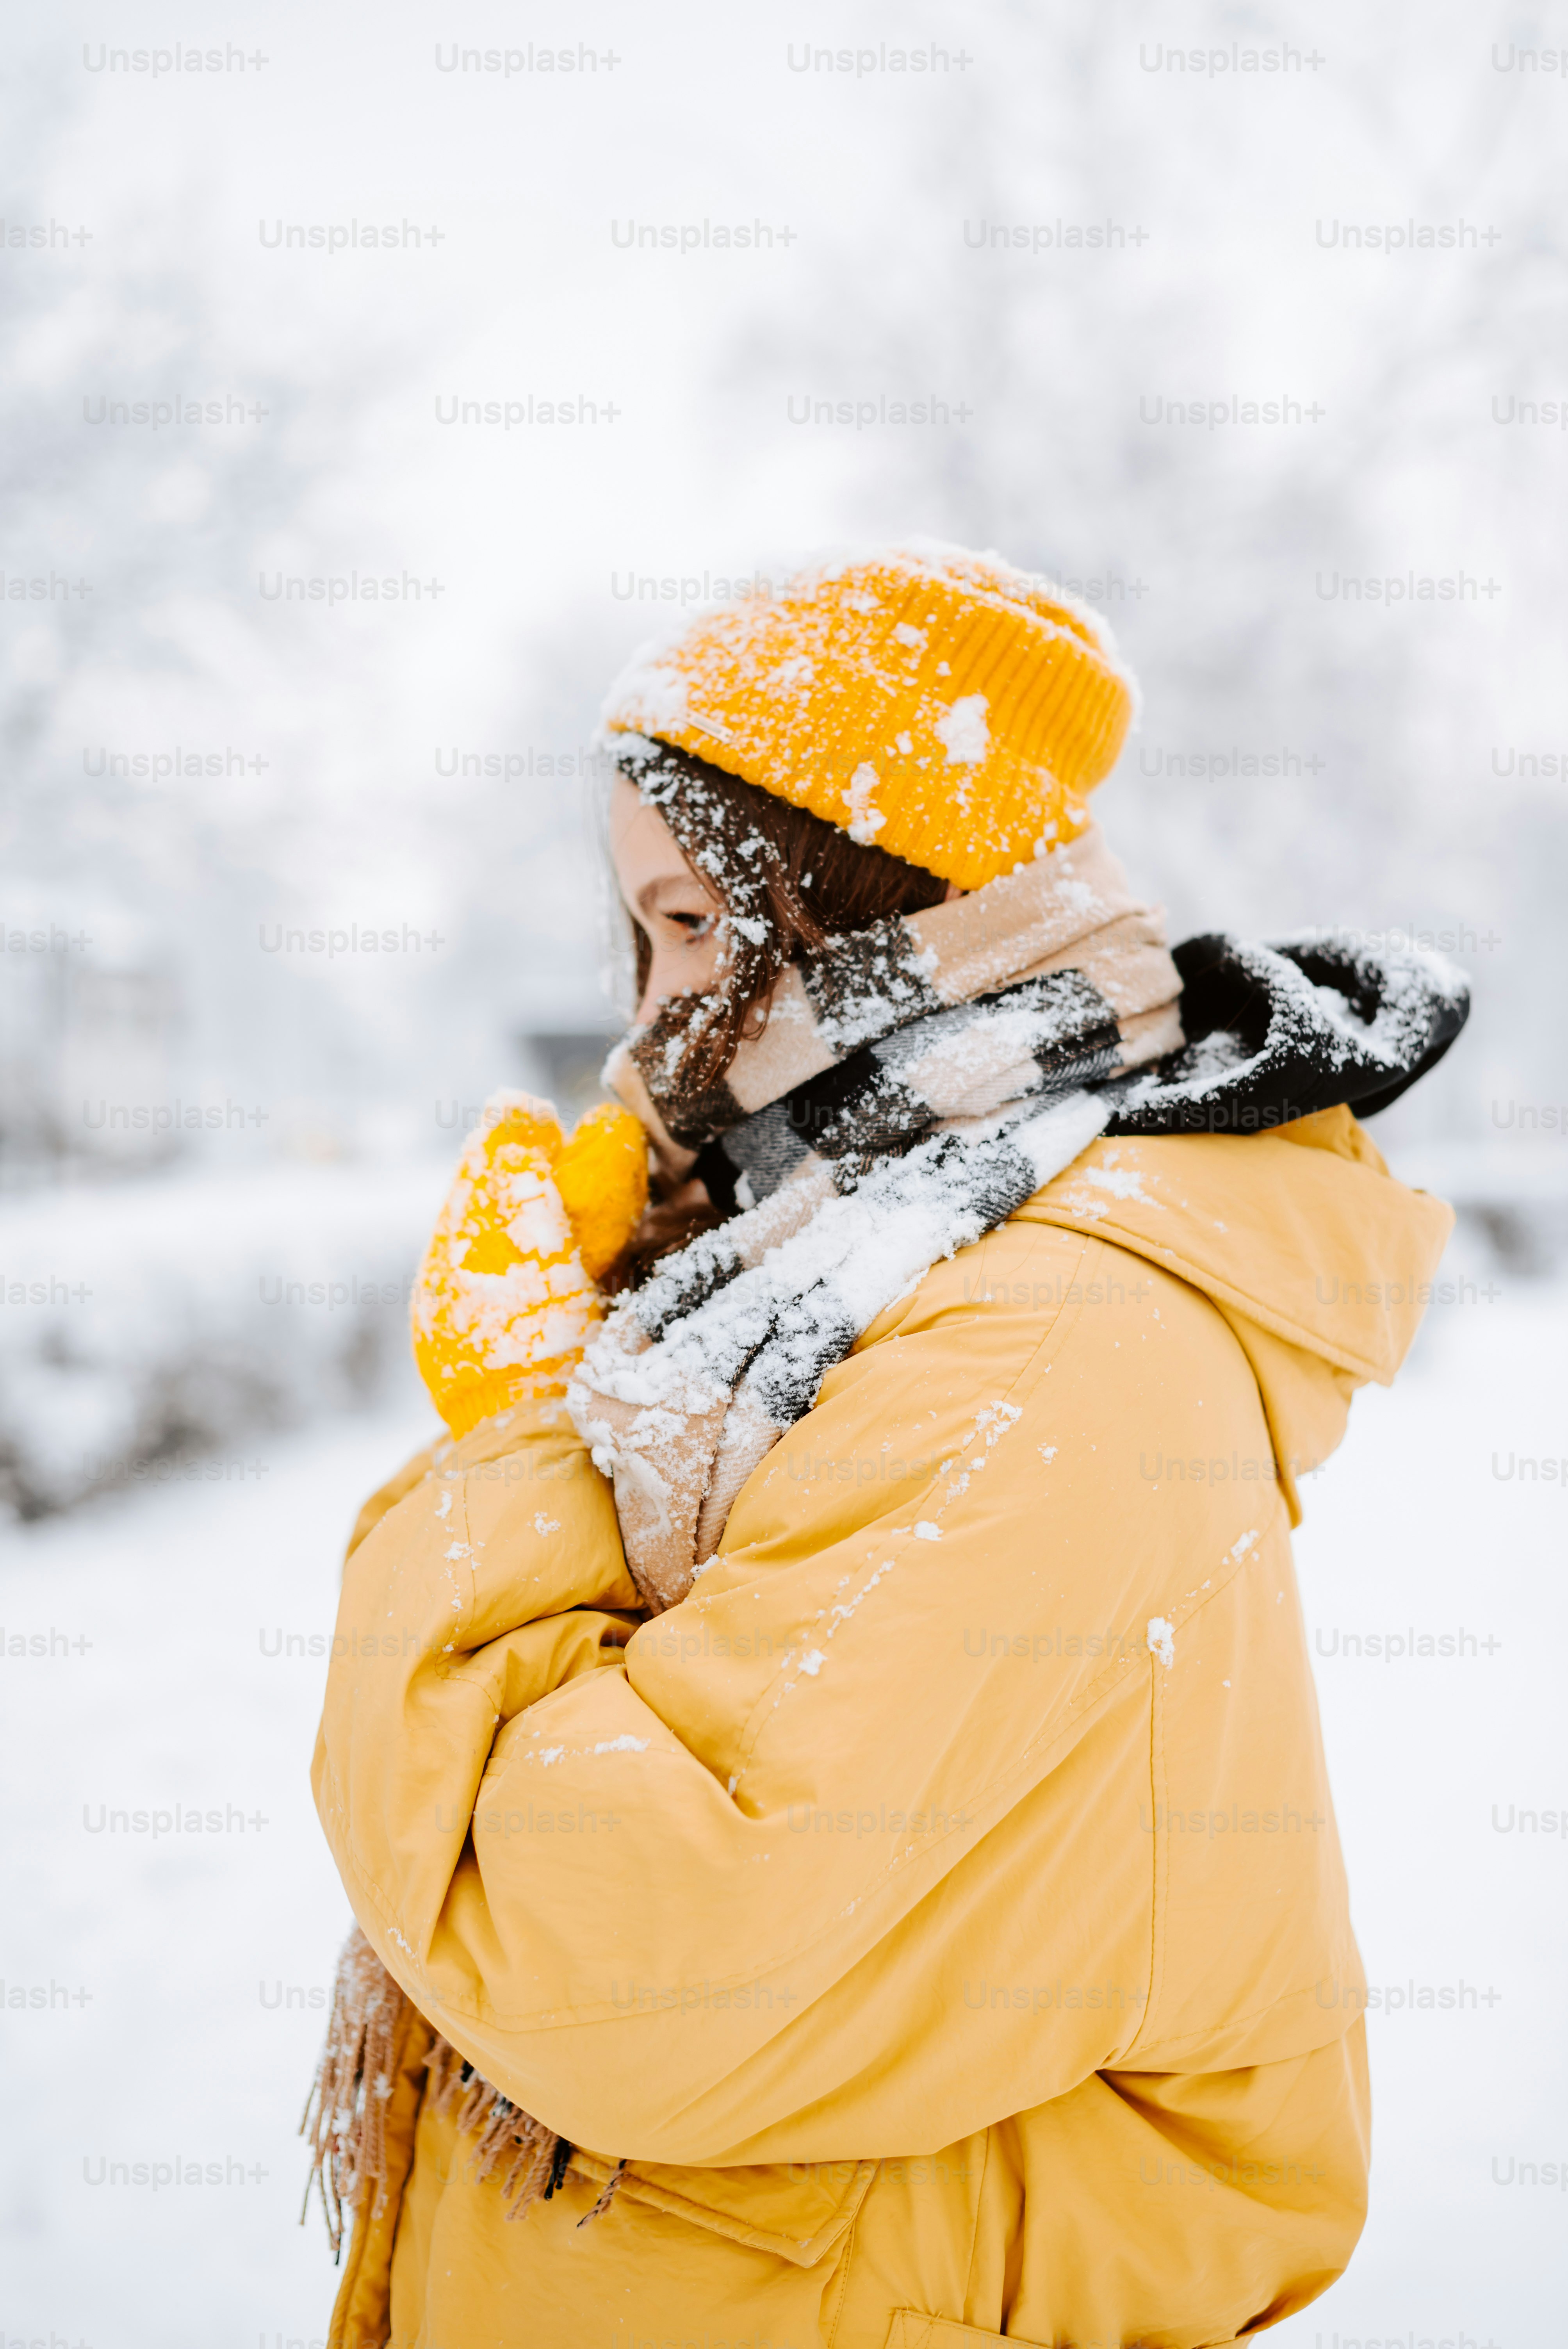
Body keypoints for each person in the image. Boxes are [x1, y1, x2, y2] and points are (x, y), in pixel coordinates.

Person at [306, 544, 1466, 2349]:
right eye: (639, 936)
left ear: (889, 909)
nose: (646, 1017)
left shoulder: (1039, 1333)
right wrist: (624, 1312)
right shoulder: (845, 1252)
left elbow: (605, 1964)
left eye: (694, 924)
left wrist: (528, 1428)